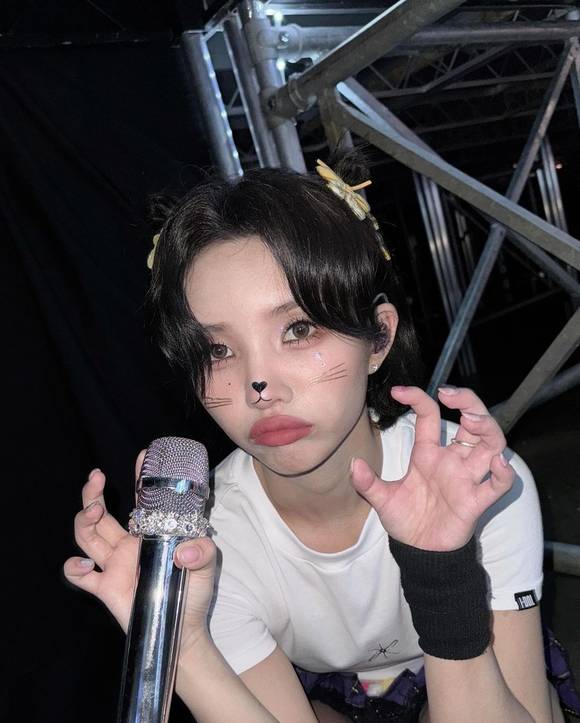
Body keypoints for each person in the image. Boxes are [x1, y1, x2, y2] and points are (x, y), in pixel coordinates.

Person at [64, 151, 576, 723]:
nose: (260, 386)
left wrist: (443, 574)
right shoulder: (209, 539)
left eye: (299, 328)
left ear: (378, 338)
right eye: (218, 349)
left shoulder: (476, 483)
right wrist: (183, 648)